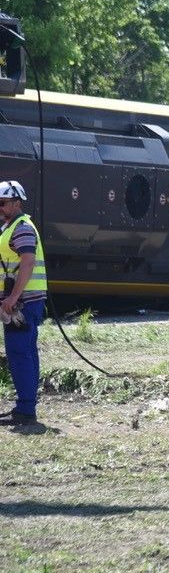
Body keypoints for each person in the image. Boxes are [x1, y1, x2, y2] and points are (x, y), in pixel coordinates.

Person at [0, 180, 46, 426]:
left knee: (19, 353)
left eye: (3, 203)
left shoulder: (22, 228)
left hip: (22, 304)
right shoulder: (11, 226)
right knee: (25, 353)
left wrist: (13, 298)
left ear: (17, 203)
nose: (0, 207)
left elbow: (27, 263)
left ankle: (26, 410)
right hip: (23, 302)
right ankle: (26, 407)